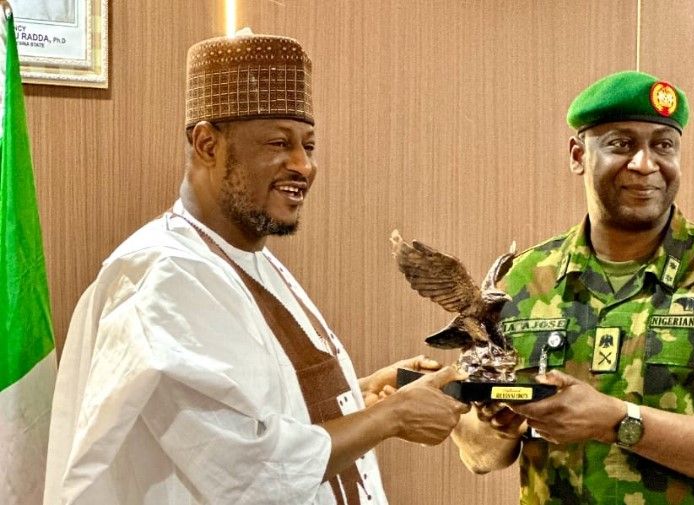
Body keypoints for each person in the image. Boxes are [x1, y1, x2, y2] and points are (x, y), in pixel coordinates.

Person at [43, 32, 469, 505]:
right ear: (207, 143)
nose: (302, 166)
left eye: (309, 145)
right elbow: (245, 467)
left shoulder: (249, 258)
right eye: (277, 142)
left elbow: (259, 403)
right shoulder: (164, 275)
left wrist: (359, 391)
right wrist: (393, 418)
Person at [451, 71, 694, 504]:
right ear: (578, 154)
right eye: (621, 144)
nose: (645, 164)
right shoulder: (522, 280)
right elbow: (479, 455)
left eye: (663, 145)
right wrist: (498, 424)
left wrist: (618, 421)